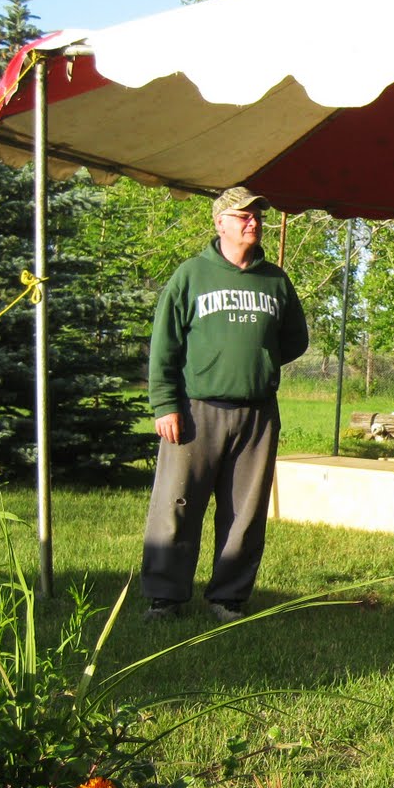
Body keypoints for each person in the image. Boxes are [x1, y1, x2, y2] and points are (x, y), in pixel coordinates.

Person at [141, 186, 309, 622]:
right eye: (242, 216)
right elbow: (165, 344)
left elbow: (294, 339)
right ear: (220, 223)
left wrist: (259, 359)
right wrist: (165, 404)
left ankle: (228, 597)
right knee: (177, 504)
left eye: (256, 215)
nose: (252, 221)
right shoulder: (192, 275)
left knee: (245, 512)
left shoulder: (275, 279)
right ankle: (166, 597)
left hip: (257, 412)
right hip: (195, 410)